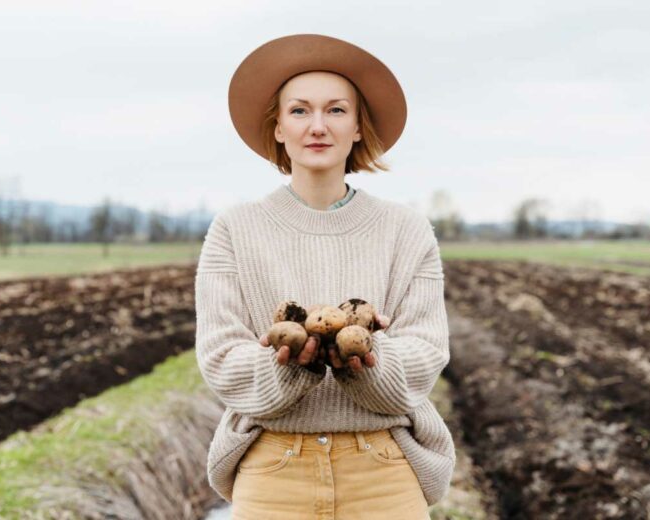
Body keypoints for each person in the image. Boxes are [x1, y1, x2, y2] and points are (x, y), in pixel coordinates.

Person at [195, 33, 455, 519]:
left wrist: (368, 354)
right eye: (299, 111)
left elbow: (426, 352)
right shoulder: (234, 229)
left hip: (384, 471)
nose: (318, 126)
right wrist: (294, 365)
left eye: (336, 110)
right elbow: (221, 360)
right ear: (277, 128)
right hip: (272, 470)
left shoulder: (407, 229)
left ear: (358, 127)